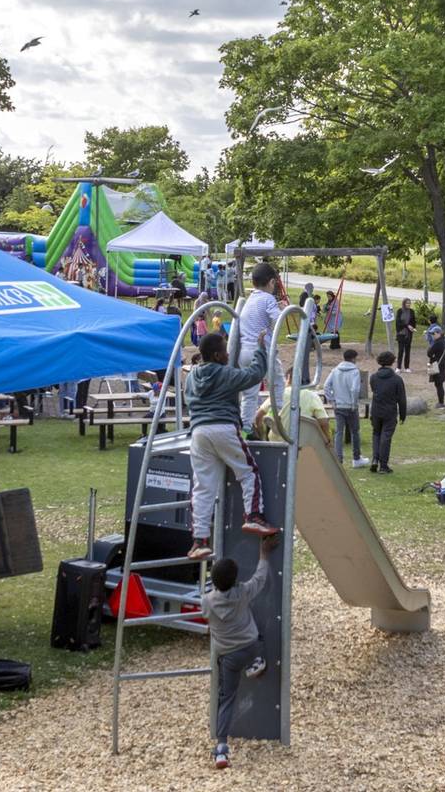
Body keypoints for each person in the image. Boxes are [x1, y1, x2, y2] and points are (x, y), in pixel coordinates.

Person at [182, 332, 281, 562]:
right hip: (223, 427)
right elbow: (253, 375)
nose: (228, 354)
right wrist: (260, 350)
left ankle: (199, 541)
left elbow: (190, 400)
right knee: (248, 472)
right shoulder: (224, 374)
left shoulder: (192, 376)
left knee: (203, 487)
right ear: (217, 356)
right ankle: (253, 516)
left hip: (198, 433)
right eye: (225, 350)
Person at [206, 533, 279, 768]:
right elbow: (259, 578)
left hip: (227, 657)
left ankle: (221, 748)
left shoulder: (207, 601)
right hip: (249, 647)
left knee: (226, 699)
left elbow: (207, 616)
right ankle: (256, 663)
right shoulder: (243, 593)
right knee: (259, 631)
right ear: (235, 580)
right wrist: (264, 554)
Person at [235, 263, 288, 435]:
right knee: (277, 382)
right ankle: (274, 414)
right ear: (272, 282)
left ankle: (246, 429)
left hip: (244, 352)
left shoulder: (250, 299)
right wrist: (284, 310)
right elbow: (277, 321)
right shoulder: (268, 299)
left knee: (250, 394)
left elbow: (261, 317)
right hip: (262, 351)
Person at [322, 348, 367, 467]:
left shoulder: (335, 370)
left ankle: (338, 459)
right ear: (353, 358)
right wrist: (353, 403)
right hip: (350, 406)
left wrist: (332, 400)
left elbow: (326, 386)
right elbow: (355, 389)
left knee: (339, 432)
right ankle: (356, 458)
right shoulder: (355, 371)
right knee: (355, 432)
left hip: (339, 406)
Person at [367, 350, 406, 474]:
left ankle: (375, 459)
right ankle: (383, 465)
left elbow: (374, 390)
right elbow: (401, 399)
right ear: (392, 362)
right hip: (389, 410)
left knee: (376, 434)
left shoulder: (373, 377)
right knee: (386, 437)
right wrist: (403, 414)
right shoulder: (397, 379)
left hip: (376, 409)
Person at [425, 331, 445, 407]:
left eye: (434, 334)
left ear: (439, 333)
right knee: (439, 384)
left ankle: (441, 403)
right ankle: (441, 402)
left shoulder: (438, 343)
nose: (433, 336)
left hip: (437, 365)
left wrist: (430, 347)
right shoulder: (444, 341)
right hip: (441, 364)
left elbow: (429, 353)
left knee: (438, 384)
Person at [394, 299, 417, 371]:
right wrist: (407, 326)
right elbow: (398, 322)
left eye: (409, 303)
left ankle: (407, 367)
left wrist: (413, 328)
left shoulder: (412, 311)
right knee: (401, 350)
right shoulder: (400, 311)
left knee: (408, 350)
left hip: (409, 333)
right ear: (404, 304)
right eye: (407, 303)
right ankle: (398, 367)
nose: (408, 304)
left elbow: (413, 322)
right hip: (401, 333)